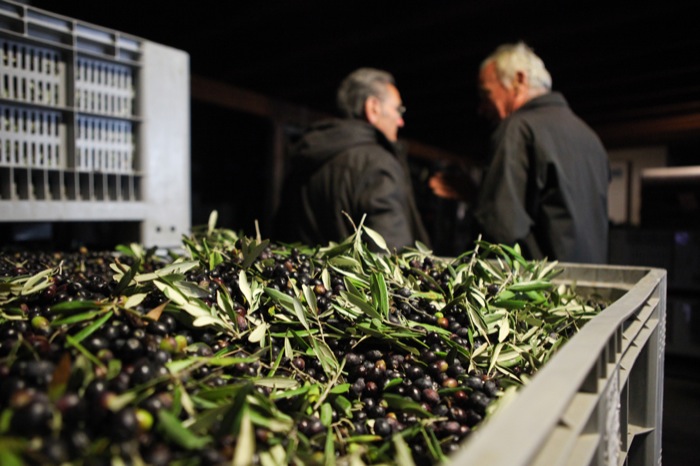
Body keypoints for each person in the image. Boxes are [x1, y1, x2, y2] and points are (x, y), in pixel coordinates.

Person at [430, 41, 609, 263]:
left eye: (486, 93)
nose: (482, 107)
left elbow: (500, 231)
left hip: (540, 290)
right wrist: (480, 195)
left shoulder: (517, 129)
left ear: (519, 80)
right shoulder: (590, 137)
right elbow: (557, 215)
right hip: (584, 286)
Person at [272, 67, 431, 252]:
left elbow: (280, 236)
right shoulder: (379, 164)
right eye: (398, 110)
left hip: (305, 279)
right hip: (356, 282)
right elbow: (390, 257)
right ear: (373, 108)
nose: (400, 121)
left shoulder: (305, 157)